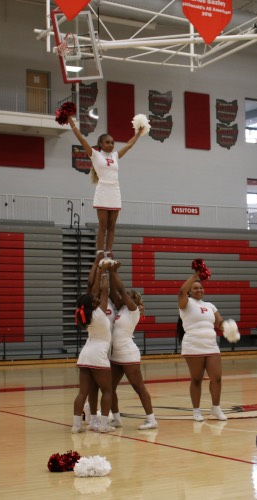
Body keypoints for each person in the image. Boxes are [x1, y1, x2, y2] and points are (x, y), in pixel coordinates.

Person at [68, 115, 144, 260]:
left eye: (113, 142)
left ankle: (109, 251)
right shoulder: (95, 155)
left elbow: (129, 145)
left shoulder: (115, 156)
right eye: (108, 142)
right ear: (101, 144)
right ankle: (100, 251)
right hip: (103, 189)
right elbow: (82, 140)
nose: (111, 144)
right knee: (102, 225)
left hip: (115, 191)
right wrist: (72, 124)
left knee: (112, 225)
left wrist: (139, 132)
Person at [107, 262, 158, 430]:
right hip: (116, 354)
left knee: (138, 387)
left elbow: (120, 291)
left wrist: (114, 272)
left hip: (128, 353)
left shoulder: (133, 310)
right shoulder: (121, 310)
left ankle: (151, 419)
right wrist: (109, 274)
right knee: (110, 388)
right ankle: (116, 418)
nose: (123, 297)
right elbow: (114, 292)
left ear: (133, 300)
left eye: (127, 296)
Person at [71, 257, 115, 434]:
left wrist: (100, 270)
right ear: (92, 303)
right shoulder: (99, 311)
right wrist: (104, 272)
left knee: (83, 392)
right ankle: (104, 425)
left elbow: (96, 292)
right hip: (98, 353)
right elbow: (103, 291)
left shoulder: (88, 315)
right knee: (107, 390)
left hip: (86, 353)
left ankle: (76, 426)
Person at [178, 264, 227, 422]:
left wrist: (228, 328)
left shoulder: (210, 306)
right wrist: (195, 275)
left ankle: (215, 408)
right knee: (197, 379)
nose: (199, 290)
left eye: (201, 288)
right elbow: (181, 291)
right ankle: (196, 411)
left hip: (211, 344)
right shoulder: (185, 303)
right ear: (190, 291)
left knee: (217, 377)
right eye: (195, 288)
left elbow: (219, 323)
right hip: (193, 344)